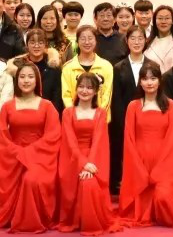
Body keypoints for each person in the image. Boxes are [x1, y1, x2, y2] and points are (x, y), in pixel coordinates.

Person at [118, 63, 173, 229]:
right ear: (140, 82)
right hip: (139, 160)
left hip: (164, 160)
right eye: (145, 79)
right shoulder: (133, 106)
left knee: (164, 197)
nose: (149, 82)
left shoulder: (170, 105)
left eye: (153, 78)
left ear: (160, 81)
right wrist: (138, 166)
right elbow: (129, 139)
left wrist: (160, 169)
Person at [0, 61, 61, 233]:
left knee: (31, 180)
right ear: (17, 80)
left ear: (37, 80)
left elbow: (53, 135)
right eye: (22, 77)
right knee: (21, 179)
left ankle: (31, 221)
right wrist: (17, 152)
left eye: (30, 77)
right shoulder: (8, 106)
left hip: (40, 159)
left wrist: (29, 153)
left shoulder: (47, 106)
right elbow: (1, 136)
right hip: (14, 159)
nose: (26, 81)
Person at [57, 72, 121, 235]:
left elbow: (98, 142)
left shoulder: (101, 113)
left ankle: (90, 223)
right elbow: (70, 142)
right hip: (72, 159)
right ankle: (74, 219)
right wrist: (83, 163)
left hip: (94, 159)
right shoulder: (68, 113)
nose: (84, 91)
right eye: (81, 87)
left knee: (89, 183)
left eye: (89, 88)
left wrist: (90, 165)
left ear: (96, 91)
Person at [110, 26, 147, 193]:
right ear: (127, 41)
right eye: (133, 38)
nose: (136, 42)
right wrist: (122, 122)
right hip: (124, 119)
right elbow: (116, 99)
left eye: (140, 38)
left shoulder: (152, 65)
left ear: (145, 41)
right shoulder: (118, 67)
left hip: (146, 118)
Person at [6, 28, 64, 113]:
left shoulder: (54, 68)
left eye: (40, 43)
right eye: (32, 42)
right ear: (27, 45)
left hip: (47, 112)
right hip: (21, 111)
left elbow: (57, 98)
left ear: (45, 44)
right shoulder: (17, 67)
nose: (36, 46)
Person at [61, 25, 114, 116]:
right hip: (75, 118)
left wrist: (97, 116)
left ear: (96, 41)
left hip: (100, 118)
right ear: (77, 42)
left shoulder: (106, 66)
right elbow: (66, 96)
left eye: (90, 38)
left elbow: (107, 95)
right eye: (83, 39)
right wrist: (75, 115)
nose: (87, 42)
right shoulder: (68, 67)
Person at [144, 5, 173, 73]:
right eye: (160, 18)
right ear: (155, 21)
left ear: (172, 21)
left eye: (167, 18)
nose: (163, 22)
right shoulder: (147, 44)